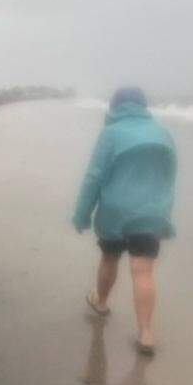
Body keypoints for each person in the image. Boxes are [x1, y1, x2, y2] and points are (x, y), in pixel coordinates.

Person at [72, 87, 176, 355]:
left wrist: (82, 214)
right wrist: (164, 213)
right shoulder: (162, 133)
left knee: (109, 258)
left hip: (115, 211)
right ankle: (146, 334)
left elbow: (94, 176)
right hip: (152, 211)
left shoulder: (111, 133)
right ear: (143, 106)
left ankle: (101, 302)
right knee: (143, 271)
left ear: (115, 107)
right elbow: (168, 179)